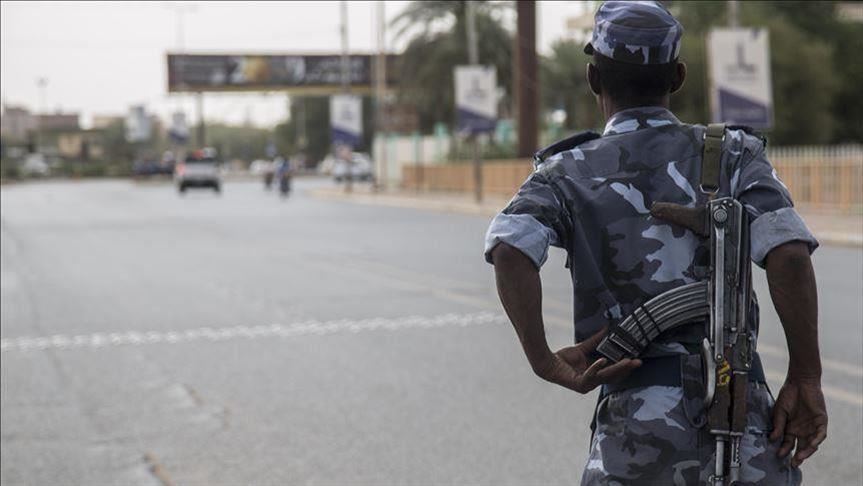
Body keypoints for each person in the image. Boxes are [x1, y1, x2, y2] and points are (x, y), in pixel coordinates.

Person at [484, 2, 827, 484]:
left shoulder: (566, 172)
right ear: (678, 76)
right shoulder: (733, 154)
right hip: (740, 423)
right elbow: (788, 254)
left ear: (593, 78)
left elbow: (509, 248)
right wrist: (806, 377)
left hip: (635, 438)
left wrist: (544, 362)